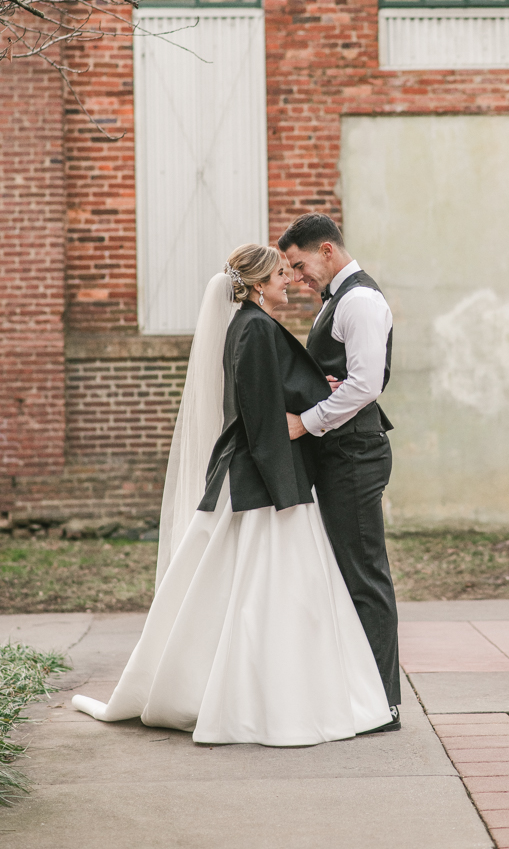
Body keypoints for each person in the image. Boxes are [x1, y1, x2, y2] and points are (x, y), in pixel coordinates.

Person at [71, 244, 392, 746]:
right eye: (281, 274)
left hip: (264, 478)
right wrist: (291, 484)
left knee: (249, 590)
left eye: (291, 271)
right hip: (267, 484)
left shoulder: (249, 325)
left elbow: (278, 390)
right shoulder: (256, 329)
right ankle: (261, 704)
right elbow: (264, 417)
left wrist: (319, 391)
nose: (289, 280)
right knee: (270, 595)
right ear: (259, 283)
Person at [277, 214, 401, 729]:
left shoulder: (360, 302)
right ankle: (363, 695)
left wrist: (305, 422)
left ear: (326, 250)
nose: (298, 277)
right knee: (351, 574)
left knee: (365, 575)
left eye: (300, 265)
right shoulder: (338, 302)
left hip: (355, 456)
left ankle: (383, 705)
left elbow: (366, 384)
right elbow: (347, 377)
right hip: (342, 453)